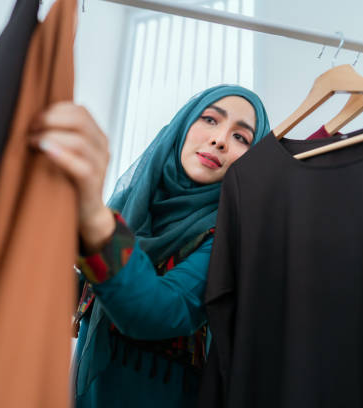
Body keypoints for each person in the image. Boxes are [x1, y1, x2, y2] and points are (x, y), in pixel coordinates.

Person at [28, 85, 270, 407]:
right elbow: (95, 288)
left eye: (242, 137)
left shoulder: (227, 241)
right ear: (183, 126)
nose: (220, 139)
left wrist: (94, 220)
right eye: (210, 119)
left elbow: (157, 310)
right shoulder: (133, 208)